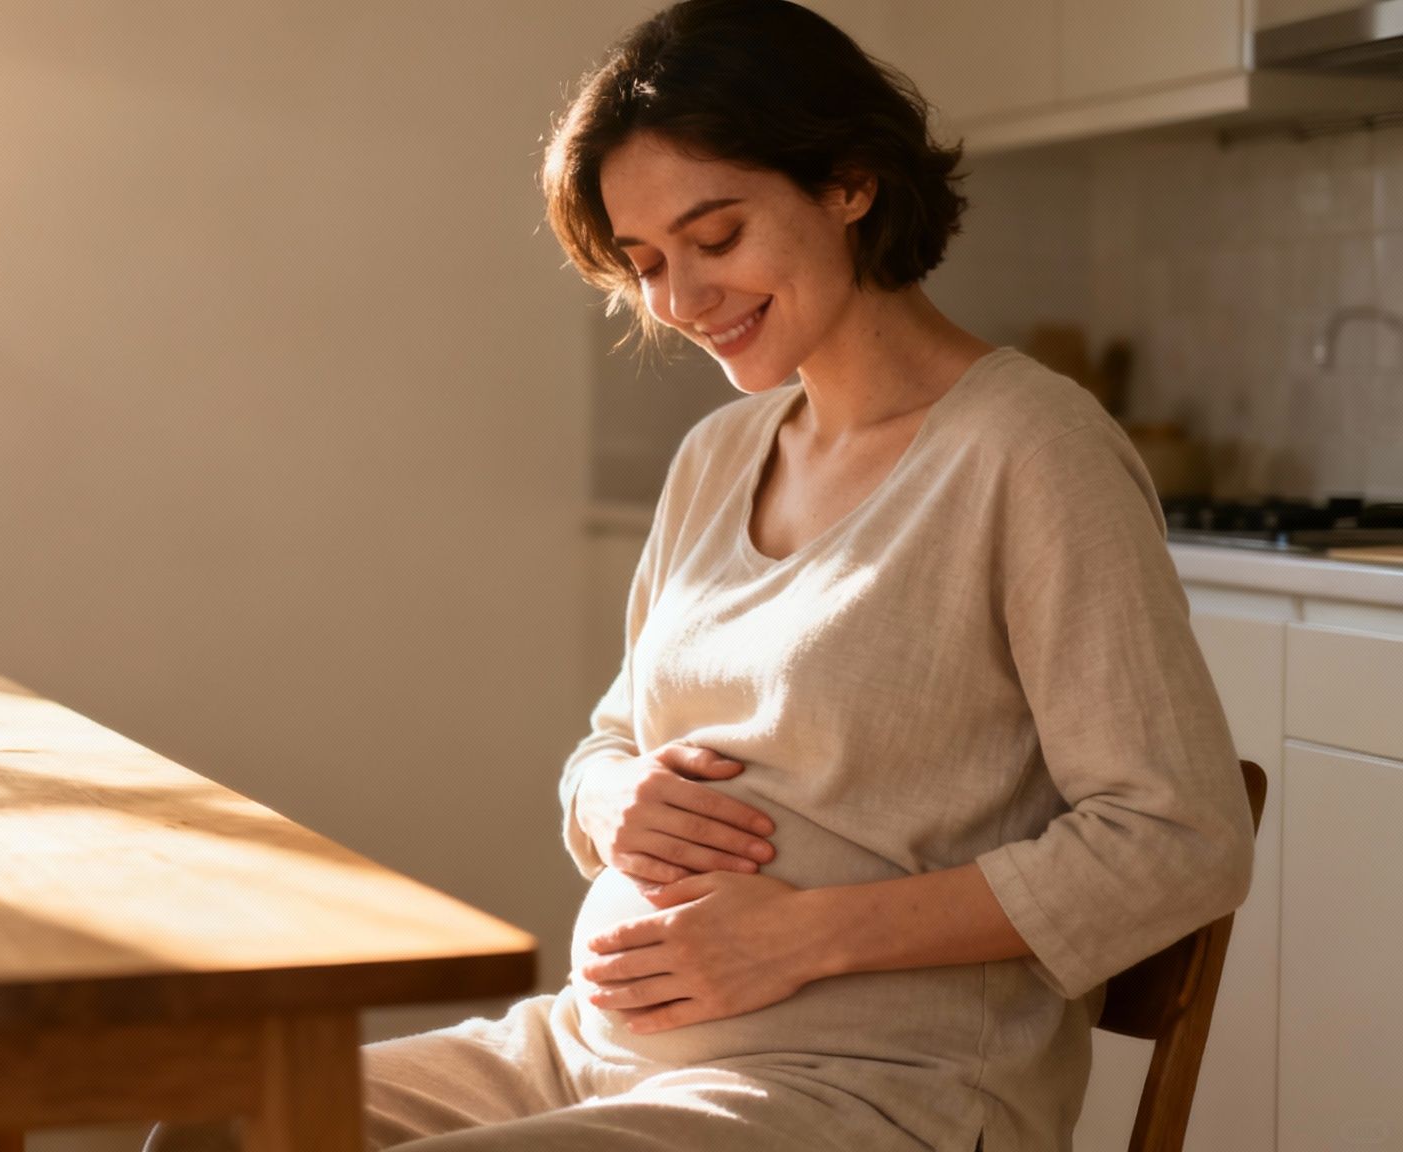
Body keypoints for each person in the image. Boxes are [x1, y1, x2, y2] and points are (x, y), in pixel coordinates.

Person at [146, 1, 1253, 1149]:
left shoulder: (1027, 450)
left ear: (848, 183)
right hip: (589, 1052)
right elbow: (609, 738)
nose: (677, 302)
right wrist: (605, 800)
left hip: (864, 1089)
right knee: (225, 1129)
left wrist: (807, 935)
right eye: (646, 264)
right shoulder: (719, 456)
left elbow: (1177, 839)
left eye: (714, 238)